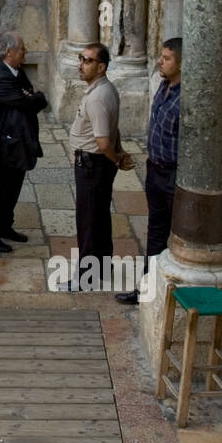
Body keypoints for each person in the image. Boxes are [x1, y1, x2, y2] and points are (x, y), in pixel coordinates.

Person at [117, 38, 180, 304]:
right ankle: (146, 288)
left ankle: (171, 293)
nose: (159, 61)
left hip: (174, 177)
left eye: (166, 58)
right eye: (161, 57)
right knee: (155, 232)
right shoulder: (163, 87)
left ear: (182, 63)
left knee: (177, 236)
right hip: (154, 171)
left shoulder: (187, 98)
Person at [69, 42, 134, 291]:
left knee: (88, 222)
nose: (81, 65)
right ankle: (103, 268)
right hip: (97, 165)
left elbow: (103, 140)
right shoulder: (105, 89)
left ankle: (85, 279)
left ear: (102, 66)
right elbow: (111, 128)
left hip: (92, 165)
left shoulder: (97, 97)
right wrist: (118, 153)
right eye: (81, 59)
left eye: (87, 61)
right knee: (99, 218)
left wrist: (116, 157)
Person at [0, 31, 48, 251]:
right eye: (22, 49)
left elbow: (32, 96)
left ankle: (4, 226)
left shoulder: (16, 73)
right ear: (9, 52)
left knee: (12, 188)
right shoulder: (0, 77)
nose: (25, 52)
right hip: (2, 144)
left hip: (16, 144)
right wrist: (31, 98)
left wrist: (32, 97)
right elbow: (29, 101)